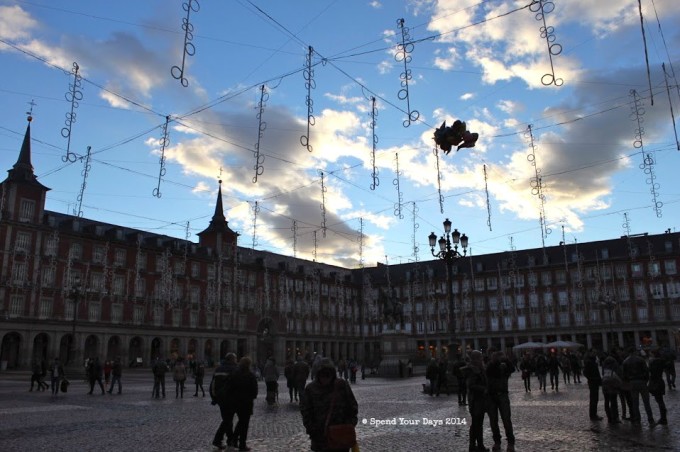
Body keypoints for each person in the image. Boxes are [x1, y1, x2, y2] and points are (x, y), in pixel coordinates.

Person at [300, 358, 358, 452]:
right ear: (318, 374)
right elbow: (305, 411)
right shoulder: (311, 389)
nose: (325, 378)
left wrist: (350, 424)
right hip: (320, 439)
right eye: (322, 375)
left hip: (340, 436)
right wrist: (312, 430)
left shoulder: (341, 385)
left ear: (332, 374)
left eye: (328, 374)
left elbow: (352, 406)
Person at [486, 350, 516, 452]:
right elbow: (489, 372)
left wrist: (506, 360)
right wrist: (494, 362)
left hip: (503, 394)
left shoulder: (504, 366)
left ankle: (510, 442)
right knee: (493, 421)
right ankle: (497, 442)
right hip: (491, 396)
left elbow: (512, 369)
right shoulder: (490, 366)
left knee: (506, 420)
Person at [229, 357, 258, 451]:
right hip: (247, 403)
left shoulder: (235, 374)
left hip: (236, 402)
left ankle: (234, 439)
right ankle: (241, 444)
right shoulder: (250, 375)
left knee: (241, 421)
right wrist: (250, 397)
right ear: (249, 365)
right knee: (244, 423)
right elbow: (255, 391)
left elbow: (230, 387)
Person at [211, 352, 239, 450]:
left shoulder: (218, 369)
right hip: (231, 399)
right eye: (235, 359)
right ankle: (230, 441)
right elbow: (237, 386)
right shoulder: (234, 369)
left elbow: (213, 385)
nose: (236, 360)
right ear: (231, 359)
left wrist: (214, 398)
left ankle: (219, 440)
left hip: (221, 399)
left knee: (227, 420)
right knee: (228, 420)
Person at [622, 348, 655, 426]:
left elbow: (624, 375)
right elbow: (646, 371)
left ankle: (637, 420)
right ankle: (651, 420)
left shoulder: (625, 361)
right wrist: (646, 380)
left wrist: (628, 382)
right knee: (646, 402)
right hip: (642, 381)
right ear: (635, 351)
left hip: (632, 382)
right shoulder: (641, 360)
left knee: (635, 403)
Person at [464, 350, 488, 452]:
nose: (481, 359)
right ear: (475, 359)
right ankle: (474, 445)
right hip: (475, 400)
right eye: (480, 357)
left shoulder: (480, 368)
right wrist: (483, 389)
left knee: (478, 423)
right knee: (475, 423)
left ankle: (478, 445)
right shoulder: (472, 370)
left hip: (481, 399)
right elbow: (471, 385)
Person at [648, 349, 667, 425]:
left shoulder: (653, 362)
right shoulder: (662, 361)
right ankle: (663, 417)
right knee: (660, 400)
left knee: (659, 400)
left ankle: (663, 418)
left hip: (655, 382)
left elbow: (651, 372)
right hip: (660, 381)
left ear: (653, 354)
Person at [583, 350, 603, 421]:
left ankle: (594, 414)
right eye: (593, 352)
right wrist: (592, 378)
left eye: (595, 352)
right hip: (593, 382)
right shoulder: (589, 362)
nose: (595, 354)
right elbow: (585, 372)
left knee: (595, 398)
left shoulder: (593, 361)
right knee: (594, 399)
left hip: (595, 382)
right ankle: (593, 415)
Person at [601, 355, 622, 424]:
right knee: (613, 402)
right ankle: (615, 417)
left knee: (606, 401)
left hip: (605, 385)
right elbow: (618, 374)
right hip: (613, 385)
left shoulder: (604, 365)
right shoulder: (615, 365)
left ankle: (609, 417)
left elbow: (602, 374)